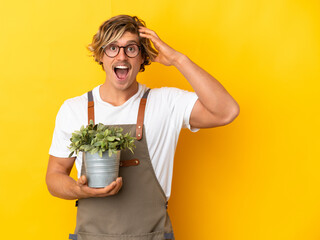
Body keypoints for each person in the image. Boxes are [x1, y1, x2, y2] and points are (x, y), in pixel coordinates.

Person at [46, 15, 239, 240]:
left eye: (131, 49)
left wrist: (178, 59)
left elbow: (227, 111)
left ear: (143, 57)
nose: (122, 56)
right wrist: (79, 190)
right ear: (100, 55)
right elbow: (54, 176)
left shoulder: (167, 103)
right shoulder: (73, 109)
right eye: (112, 48)